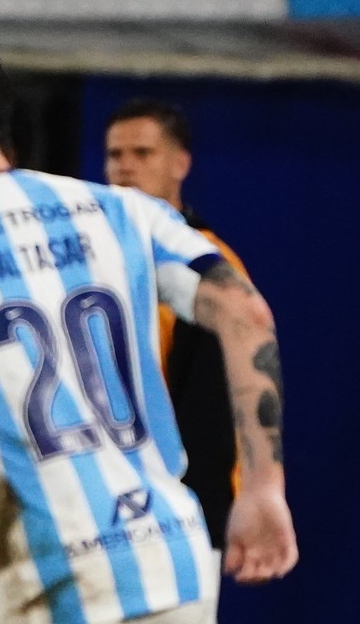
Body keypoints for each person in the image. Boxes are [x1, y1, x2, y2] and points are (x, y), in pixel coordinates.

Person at [0, 31, 297, 623]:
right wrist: (263, 487)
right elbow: (245, 313)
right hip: (167, 563)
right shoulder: (122, 210)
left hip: (45, 583)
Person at [104, 98, 249, 551]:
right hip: (107, 506)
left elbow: (210, 415)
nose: (125, 167)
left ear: (180, 164)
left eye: (143, 153)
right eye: (115, 154)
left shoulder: (206, 265)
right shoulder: (99, 257)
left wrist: (197, 517)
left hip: (178, 515)